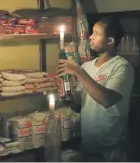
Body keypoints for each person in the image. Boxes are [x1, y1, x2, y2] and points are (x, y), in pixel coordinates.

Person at [57, 17, 135, 162]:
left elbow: (107, 100)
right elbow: (79, 104)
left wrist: (79, 72)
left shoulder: (121, 67)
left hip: (112, 150)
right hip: (90, 147)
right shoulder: (87, 66)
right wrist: (67, 90)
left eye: (97, 34)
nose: (91, 37)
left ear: (110, 41)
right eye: (92, 33)